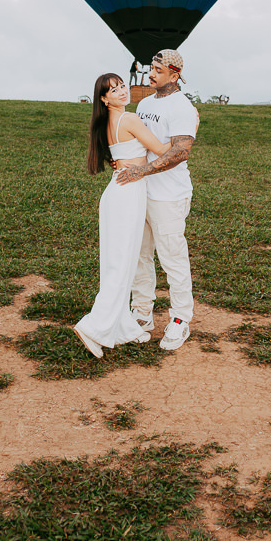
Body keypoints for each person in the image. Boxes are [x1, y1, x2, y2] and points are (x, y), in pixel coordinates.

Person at [73, 74, 173, 359]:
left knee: (118, 264)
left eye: (122, 86)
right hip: (127, 196)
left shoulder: (105, 123)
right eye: (113, 90)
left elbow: (123, 154)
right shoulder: (128, 120)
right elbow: (162, 150)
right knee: (121, 267)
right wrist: (190, 131)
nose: (121, 91)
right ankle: (95, 327)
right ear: (104, 99)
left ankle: (124, 327)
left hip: (117, 193)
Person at [116, 49, 198, 351]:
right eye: (151, 67)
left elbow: (180, 152)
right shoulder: (145, 103)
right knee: (139, 254)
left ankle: (180, 320)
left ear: (174, 76)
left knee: (172, 257)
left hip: (169, 195)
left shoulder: (183, 108)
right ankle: (142, 313)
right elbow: (139, 141)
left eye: (158, 70)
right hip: (140, 193)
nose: (151, 74)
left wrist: (144, 171)